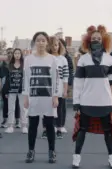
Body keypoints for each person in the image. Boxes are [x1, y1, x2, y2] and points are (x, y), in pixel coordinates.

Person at [72, 25, 112, 169]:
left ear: (104, 40)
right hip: (87, 100)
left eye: (99, 38)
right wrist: (76, 103)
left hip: (105, 101)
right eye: (93, 38)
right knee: (82, 130)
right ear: (88, 40)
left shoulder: (110, 59)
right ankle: (76, 158)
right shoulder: (83, 60)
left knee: (108, 131)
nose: (96, 40)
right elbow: (78, 83)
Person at [23, 32, 59, 163]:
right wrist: (25, 96)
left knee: (49, 125)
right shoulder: (28, 59)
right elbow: (25, 79)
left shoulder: (52, 59)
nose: (41, 43)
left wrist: (55, 96)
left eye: (43, 40)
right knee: (33, 125)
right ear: (35, 42)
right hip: (33, 97)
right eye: (38, 40)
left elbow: (56, 80)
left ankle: (52, 151)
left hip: (48, 97)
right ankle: (31, 151)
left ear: (47, 43)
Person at [41, 36, 69, 139]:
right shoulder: (45, 58)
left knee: (59, 109)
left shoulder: (63, 59)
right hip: (47, 88)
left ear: (59, 46)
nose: (54, 47)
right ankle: (45, 129)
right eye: (52, 45)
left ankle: (59, 129)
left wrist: (65, 90)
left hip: (60, 87)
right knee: (46, 110)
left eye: (56, 45)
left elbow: (66, 76)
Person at [2, 48, 28, 134]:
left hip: (21, 90)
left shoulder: (24, 65)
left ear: (21, 55)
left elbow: (26, 78)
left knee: (22, 108)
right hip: (11, 90)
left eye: (18, 53)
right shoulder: (10, 65)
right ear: (13, 55)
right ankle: (10, 126)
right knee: (11, 108)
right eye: (15, 53)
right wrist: (6, 91)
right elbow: (7, 79)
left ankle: (24, 126)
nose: (17, 55)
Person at [1, 48, 21, 128]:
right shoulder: (2, 65)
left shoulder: (17, 64)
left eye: (10, 53)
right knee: (6, 104)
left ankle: (17, 121)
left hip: (16, 87)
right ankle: (5, 120)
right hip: (5, 88)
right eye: (7, 53)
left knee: (16, 104)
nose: (9, 54)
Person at [59, 38, 74, 133]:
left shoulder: (67, 58)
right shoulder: (51, 56)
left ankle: (61, 125)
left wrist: (69, 84)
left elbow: (70, 71)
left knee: (62, 106)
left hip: (64, 84)